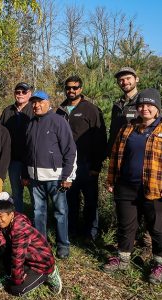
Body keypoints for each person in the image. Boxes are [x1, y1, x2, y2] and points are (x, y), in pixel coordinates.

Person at [104, 88, 162, 284]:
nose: (145, 108)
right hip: (126, 187)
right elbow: (115, 156)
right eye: (141, 105)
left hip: (155, 188)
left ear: (157, 108)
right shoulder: (128, 128)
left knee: (157, 227)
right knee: (126, 225)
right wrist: (111, 180)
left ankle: (159, 264)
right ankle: (123, 259)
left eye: (149, 105)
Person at [25, 91, 77, 259]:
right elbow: (27, 151)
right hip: (35, 178)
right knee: (38, 212)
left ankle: (63, 245)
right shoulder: (31, 123)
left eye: (40, 102)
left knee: (60, 212)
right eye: (34, 102)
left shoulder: (58, 121)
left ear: (48, 102)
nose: (36, 105)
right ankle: (41, 244)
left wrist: (68, 176)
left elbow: (70, 150)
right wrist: (25, 174)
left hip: (55, 177)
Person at [56, 76, 107, 241]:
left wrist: (96, 166)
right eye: (68, 87)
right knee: (70, 200)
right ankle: (71, 231)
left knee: (90, 201)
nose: (71, 90)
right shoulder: (60, 110)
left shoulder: (91, 110)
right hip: (67, 165)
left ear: (81, 89)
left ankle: (90, 234)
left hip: (87, 164)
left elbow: (100, 138)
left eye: (75, 87)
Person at [0, 201, 62, 296]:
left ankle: (51, 273)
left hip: (41, 264)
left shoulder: (20, 229)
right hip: (28, 259)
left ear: (11, 214)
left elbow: (17, 257)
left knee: (17, 290)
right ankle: (11, 275)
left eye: (0, 216)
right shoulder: (6, 223)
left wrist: (17, 280)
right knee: (4, 248)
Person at [0, 82, 34, 212]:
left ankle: (37, 225)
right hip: (13, 160)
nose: (20, 94)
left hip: (31, 160)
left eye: (23, 92)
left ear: (29, 94)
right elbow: (1, 133)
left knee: (34, 194)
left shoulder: (34, 109)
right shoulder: (8, 111)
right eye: (17, 92)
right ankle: (19, 221)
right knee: (16, 193)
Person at [108, 67, 140, 156]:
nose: (125, 82)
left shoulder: (143, 103)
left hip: (136, 154)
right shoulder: (117, 105)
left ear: (136, 79)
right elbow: (113, 131)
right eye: (121, 80)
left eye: (128, 78)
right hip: (117, 154)